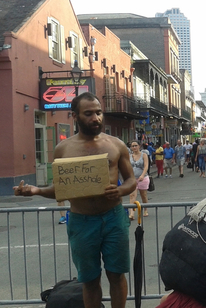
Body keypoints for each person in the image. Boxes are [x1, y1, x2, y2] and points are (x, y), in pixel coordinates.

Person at [13, 92, 136, 308]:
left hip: (114, 218)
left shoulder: (116, 144)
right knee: (89, 280)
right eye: (88, 114)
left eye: (98, 113)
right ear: (75, 116)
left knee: (116, 275)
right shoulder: (64, 149)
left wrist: (120, 191)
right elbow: (62, 189)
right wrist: (36, 190)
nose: (96, 118)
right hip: (82, 221)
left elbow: (131, 181)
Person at [129, 140, 150, 219]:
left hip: (143, 178)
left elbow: (146, 166)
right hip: (133, 179)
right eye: (132, 146)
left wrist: (142, 175)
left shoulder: (144, 155)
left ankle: (145, 209)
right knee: (132, 195)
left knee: (143, 195)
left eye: (135, 145)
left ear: (139, 146)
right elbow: (128, 167)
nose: (134, 147)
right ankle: (132, 213)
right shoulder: (130, 156)